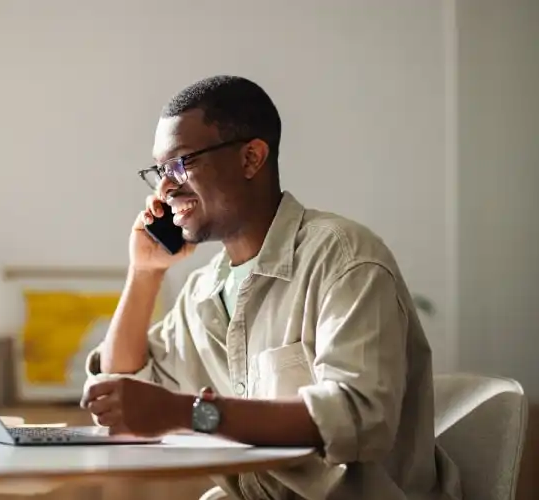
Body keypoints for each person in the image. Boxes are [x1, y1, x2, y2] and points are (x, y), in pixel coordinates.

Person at [80, 75, 462, 499]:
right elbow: (119, 399)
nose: (166, 187)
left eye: (182, 163)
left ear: (251, 159)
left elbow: (358, 418)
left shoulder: (344, 257)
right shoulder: (205, 290)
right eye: (159, 170)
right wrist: (144, 272)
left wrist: (188, 413)